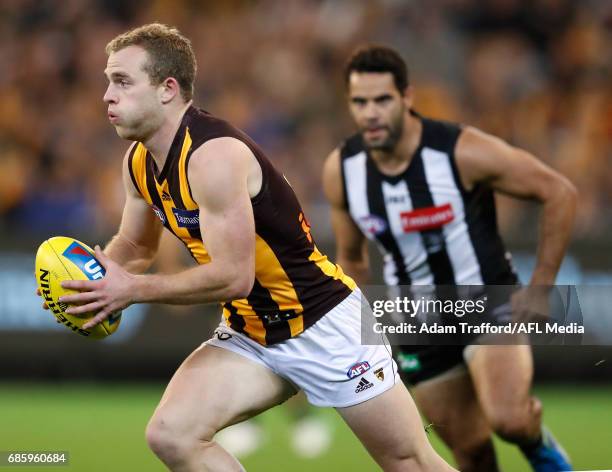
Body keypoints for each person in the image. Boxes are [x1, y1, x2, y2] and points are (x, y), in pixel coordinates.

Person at [37, 25, 456, 472]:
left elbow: (234, 275)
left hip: (325, 325)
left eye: (122, 81)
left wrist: (130, 289)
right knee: (172, 435)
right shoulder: (138, 161)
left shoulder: (214, 156)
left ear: (167, 89)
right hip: (251, 333)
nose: (106, 95)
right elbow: (136, 244)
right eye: (107, 80)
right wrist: (92, 284)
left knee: (411, 463)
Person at [322, 45, 578, 472]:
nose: (370, 113)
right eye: (359, 102)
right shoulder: (343, 170)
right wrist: (360, 331)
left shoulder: (461, 151)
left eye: (381, 100)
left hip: (486, 301)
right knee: (471, 452)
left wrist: (540, 289)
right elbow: (352, 259)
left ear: (407, 97)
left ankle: (540, 447)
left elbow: (559, 192)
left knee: (509, 419)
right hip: (416, 319)